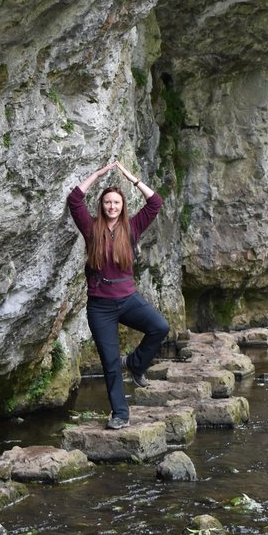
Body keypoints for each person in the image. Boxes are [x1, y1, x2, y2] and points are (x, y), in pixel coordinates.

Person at [67, 161, 169, 430]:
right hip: (100, 306)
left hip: (127, 299)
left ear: (123, 206)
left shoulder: (132, 228)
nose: (112, 207)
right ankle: (120, 414)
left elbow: (155, 202)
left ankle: (136, 365)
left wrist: (132, 179)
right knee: (110, 363)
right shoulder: (91, 230)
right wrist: (98, 175)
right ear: (102, 206)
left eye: (117, 203)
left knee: (160, 327)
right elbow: (74, 199)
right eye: (108, 203)